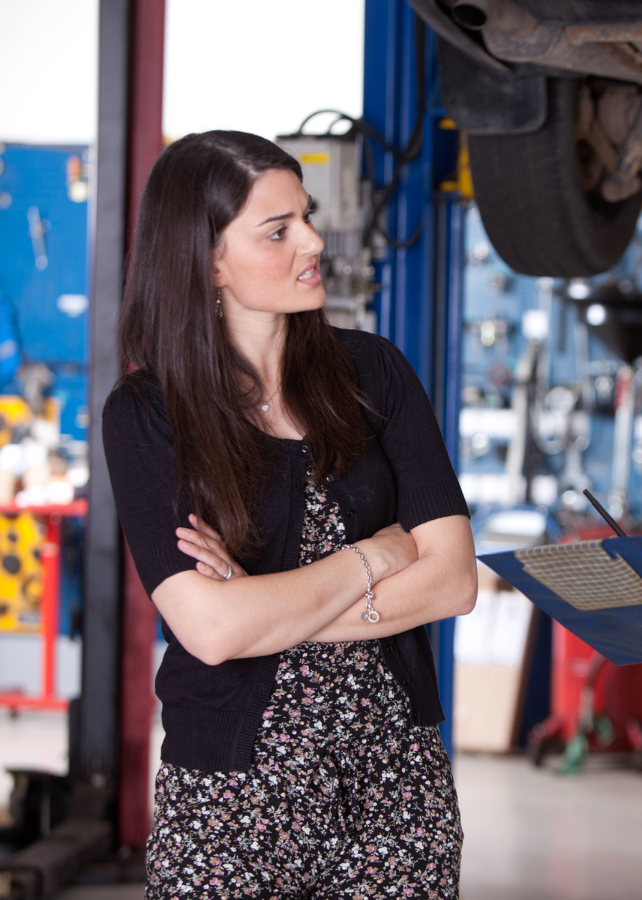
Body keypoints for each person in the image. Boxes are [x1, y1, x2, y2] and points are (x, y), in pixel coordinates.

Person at [102, 131, 476, 899]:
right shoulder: (148, 415)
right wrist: (371, 558)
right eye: (278, 231)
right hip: (230, 802)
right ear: (207, 261)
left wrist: (263, 607)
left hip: (395, 789)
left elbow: (452, 584)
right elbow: (212, 632)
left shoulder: (374, 372)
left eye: (305, 217)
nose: (313, 241)